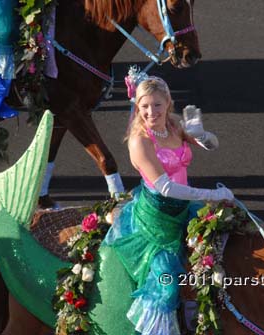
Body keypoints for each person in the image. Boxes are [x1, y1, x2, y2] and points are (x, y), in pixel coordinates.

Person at [103, 77, 234, 335]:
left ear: (168, 103)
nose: (152, 112)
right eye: (145, 107)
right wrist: (212, 195)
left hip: (183, 208)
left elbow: (212, 145)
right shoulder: (140, 141)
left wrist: (202, 135)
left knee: (224, 240)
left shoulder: (173, 126)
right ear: (138, 108)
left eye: (157, 105)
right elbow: (166, 188)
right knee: (166, 284)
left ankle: (198, 309)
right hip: (156, 220)